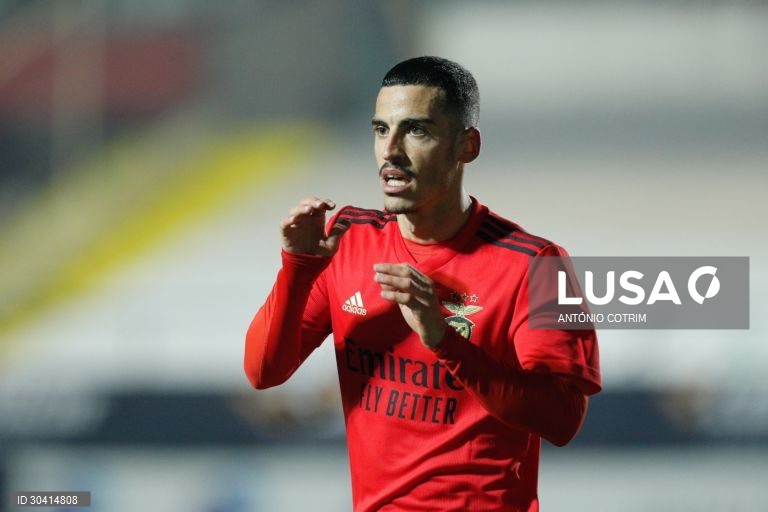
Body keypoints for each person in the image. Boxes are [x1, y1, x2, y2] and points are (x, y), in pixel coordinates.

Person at [244, 56, 601, 511]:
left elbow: (562, 420)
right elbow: (263, 372)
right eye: (380, 130)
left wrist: (444, 340)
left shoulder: (538, 265)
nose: (391, 151)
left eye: (417, 131)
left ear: (465, 146)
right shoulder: (347, 238)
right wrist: (298, 268)